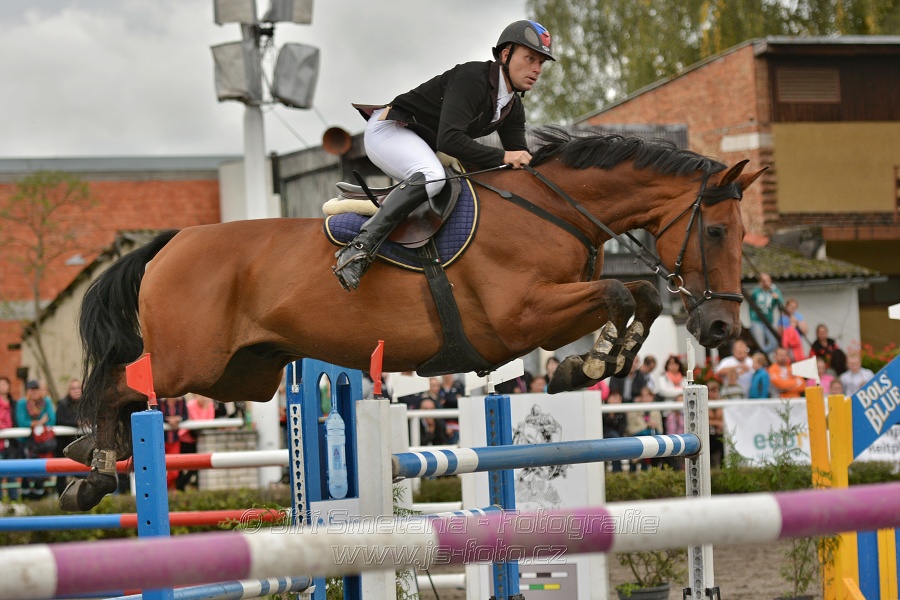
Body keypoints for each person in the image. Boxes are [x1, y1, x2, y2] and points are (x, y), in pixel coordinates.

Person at [332, 20, 555, 291]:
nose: (536, 69)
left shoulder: (512, 107)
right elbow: (451, 139)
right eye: (530, 58)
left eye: (541, 63)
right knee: (432, 177)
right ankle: (357, 250)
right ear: (506, 55)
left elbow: (518, 161)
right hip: (389, 130)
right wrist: (504, 156)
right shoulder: (473, 77)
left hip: (423, 142)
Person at [17, 380, 57, 500]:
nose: (34, 392)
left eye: (36, 389)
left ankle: (39, 499)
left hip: (42, 443)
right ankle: (25, 499)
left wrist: (34, 423)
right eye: (31, 389)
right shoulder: (22, 403)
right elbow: (22, 422)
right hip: (27, 443)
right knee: (26, 472)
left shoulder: (46, 401)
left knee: (41, 472)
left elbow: (51, 420)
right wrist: (40, 422)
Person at [176, 394, 216, 490]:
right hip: (185, 440)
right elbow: (198, 421)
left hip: (197, 440)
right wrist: (206, 409)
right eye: (200, 395)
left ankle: (185, 485)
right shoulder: (191, 405)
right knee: (184, 465)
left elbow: (210, 421)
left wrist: (207, 407)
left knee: (197, 465)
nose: (203, 397)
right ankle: (180, 485)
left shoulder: (209, 405)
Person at [54, 379, 83, 496]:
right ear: (68, 390)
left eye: (78, 388)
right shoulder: (62, 404)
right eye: (73, 388)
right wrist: (77, 423)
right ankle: (60, 494)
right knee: (61, 471)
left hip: (80, 443)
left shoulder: (87, 404)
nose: (76, 391)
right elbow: (59, 420)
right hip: (64, 443)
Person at [626, 386, 663, 472]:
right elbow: (631, 430)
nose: (646, 398)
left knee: (655, 439)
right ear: (640, 397)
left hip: (653, 438)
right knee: (647, 439)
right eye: (644, 396)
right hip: (638, 438)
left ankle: (653, 469)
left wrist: (655, 426)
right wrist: (646, 426)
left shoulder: (656, 410)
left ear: (652, 397)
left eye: (648, 396)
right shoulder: (634, 410)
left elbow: (660, 430)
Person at [748, 273, 784, 356]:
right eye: (763, 280)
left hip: (769, 322)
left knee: (774, 343)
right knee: (760, 344)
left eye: (767, 280)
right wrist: (751, 316)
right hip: (756, 321)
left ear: (770, 281)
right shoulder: (756, 291)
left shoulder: (775, 291)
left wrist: (777, 298)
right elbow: (750, 302)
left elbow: (781, 306)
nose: (765, 282)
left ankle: (759, 355)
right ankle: (761, 358)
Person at [159, 396, 188, 490]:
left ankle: (161, 489)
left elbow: (185, 416)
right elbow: (156, 416)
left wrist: (178, 419)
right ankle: (165, 491)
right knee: (159, 468)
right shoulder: (160, 401)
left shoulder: (181, 401)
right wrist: (169, 420)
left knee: (174, 472)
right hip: (161, 441)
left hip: (175, 440)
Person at [0, 376, 20, 500]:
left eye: (4, 384)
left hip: (11, 443)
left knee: (12, 472)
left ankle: (14, 501)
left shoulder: (14, 404)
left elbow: (17, 421)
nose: (2, 387)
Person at [602, 391, 627, 473]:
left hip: (617, 440)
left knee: (615, 442)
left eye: (618, 398)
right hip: (604, 438)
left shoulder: (622, 413)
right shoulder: (602, 412)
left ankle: (617, 471)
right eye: (613, 397)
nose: (615, 400)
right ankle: (617, 471)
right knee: (615, 441)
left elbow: (622, 429)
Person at [707, 381, 725, 469]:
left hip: (719, 433)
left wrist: (719, 424)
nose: (715, 393)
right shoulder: (704, 403)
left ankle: (722, 468)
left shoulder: (721, 403)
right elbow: (705, 420)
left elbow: (724, 418)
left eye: (716, 390)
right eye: (712, 390)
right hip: (708, 434)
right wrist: (717, 423)